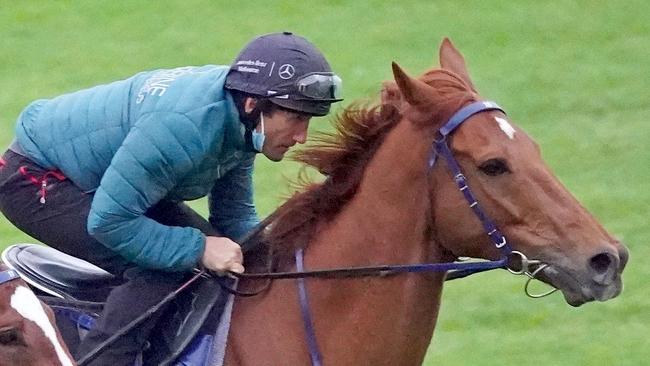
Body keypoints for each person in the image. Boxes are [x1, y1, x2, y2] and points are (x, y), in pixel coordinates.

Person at [0, 31, 342, 365]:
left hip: (110, 180)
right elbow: (110, 221)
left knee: (220, 252)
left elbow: (234, 218)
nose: (302, 136)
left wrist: (281, 262)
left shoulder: (241, 120)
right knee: (161, 265)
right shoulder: (184, 128)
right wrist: (199, 248)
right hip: (36, 179)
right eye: (296, 118)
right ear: (254, 104)